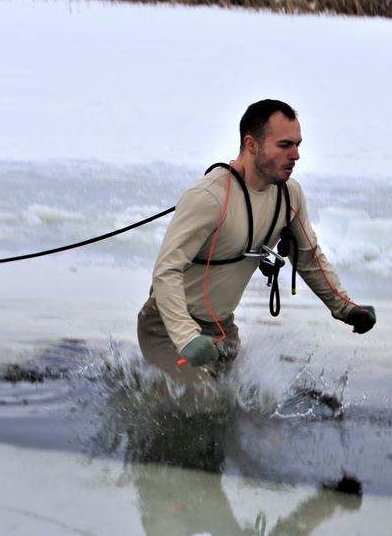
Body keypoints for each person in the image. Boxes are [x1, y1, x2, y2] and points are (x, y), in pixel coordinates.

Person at [137, 99, 375, 393]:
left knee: (232, 406)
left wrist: (345, 308)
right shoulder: (209, 198)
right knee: (201, 401)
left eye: (298, 145)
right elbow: (166, 270)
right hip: (166, 326)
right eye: (284, 145)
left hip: (222, 328)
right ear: (252, 144)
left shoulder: (290, 195)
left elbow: (309, 256)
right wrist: (186, 337)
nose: (296, 155)